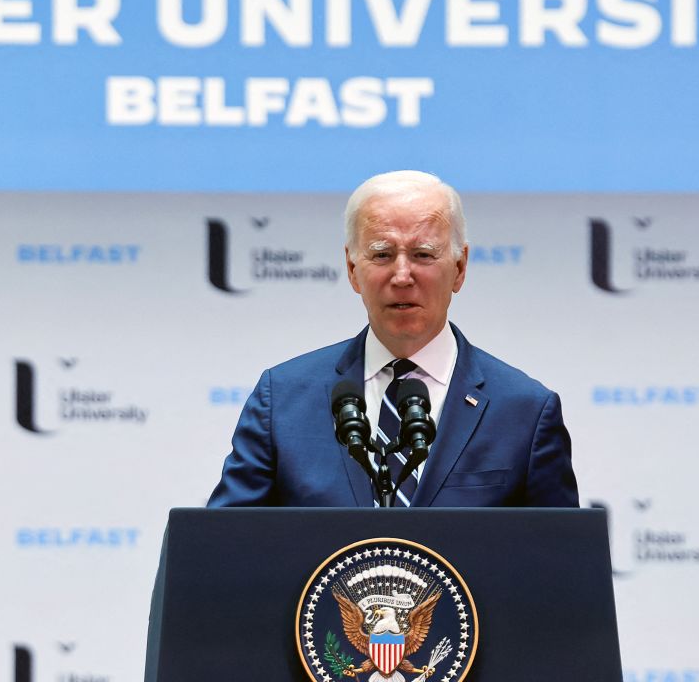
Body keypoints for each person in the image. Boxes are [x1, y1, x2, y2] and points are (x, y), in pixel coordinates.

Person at [208, 170, 578, 507]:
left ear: (460, 268)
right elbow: (224, 549)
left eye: (423, 254)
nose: (402, 275)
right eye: (382, 255)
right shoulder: (284, 399)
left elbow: (560, 566)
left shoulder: (525, 411)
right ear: (353, 270)